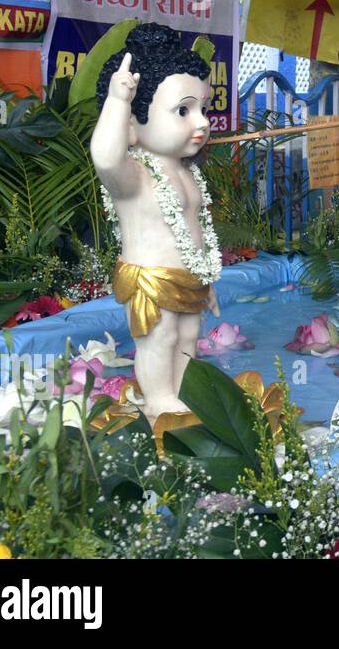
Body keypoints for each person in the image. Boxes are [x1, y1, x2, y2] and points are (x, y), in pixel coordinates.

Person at [91, 23, 221, 424]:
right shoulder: (135, 177)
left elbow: (196, 230)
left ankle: (185, 392)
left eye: (202, 107)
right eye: (183, 110)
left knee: (186, 338)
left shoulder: (185, 172)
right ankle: (159, 400)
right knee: (158, 339)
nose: (201, 122)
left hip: (191, 278)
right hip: (152, 279)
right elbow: (106, 159)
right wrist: (117, 101)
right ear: (133, 124)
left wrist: (207, 277)